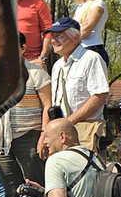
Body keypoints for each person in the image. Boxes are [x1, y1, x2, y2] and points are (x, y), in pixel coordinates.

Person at [0, 32, 52, 197]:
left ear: (23, 48)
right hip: (1, 139)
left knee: (36, 186)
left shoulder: (36, 73)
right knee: (12, 189)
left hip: (30, 136)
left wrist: (44, 134)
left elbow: (48, 106)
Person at [46, 16, 109, 152]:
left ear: (75, 37)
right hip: (60, 133)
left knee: (87, 172)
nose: (53, 40)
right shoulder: (57, 66)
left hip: (85, 129)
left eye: (59, 36)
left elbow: (99, 96)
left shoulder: (91, 58)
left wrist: (68, 122)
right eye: (52, 36)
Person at [10, 0, 52, 64]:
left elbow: (49, 31)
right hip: (9, 64)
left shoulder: (38, 2)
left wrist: (43, 57)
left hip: (34, 61)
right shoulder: (0, 5)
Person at [73, 0, 109, 66]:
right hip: (79, 50)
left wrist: (67, 42)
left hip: (93, 49)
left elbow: (86, 29)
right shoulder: (80, 7)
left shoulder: (98, 4)